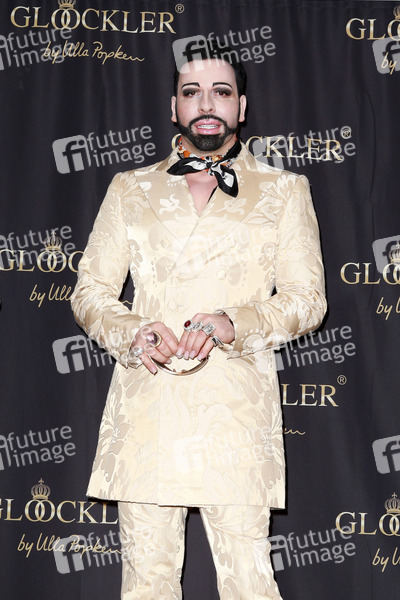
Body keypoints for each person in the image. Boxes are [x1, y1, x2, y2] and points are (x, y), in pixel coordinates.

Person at [71, 41, 327, 600]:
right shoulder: (130, 188)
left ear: (241, 107)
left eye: (221, 92)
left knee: (250, 585)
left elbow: (307, 300)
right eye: (192, 92)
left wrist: (233, 322)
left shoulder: (285, 191)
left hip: (236, 412)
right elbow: (90, 291)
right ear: (174, 107)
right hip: (148, 404)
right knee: (146, 585)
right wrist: (133, 331)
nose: (206, 104)